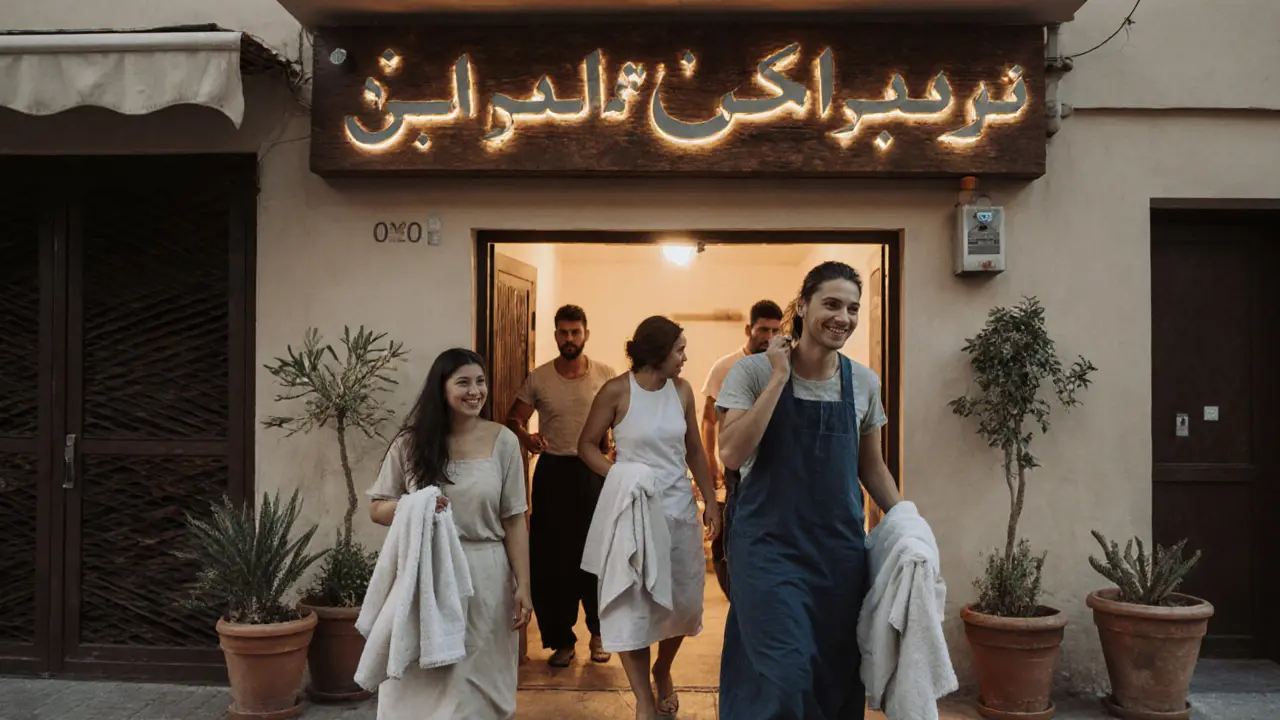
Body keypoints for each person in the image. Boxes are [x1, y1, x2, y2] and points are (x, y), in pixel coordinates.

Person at [716, 261, 902, 720]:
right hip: (767, 548)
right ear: (803, 307)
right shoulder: (754, 373)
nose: (844, 317)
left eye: (853, 308)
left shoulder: (863, 381)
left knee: (834, 671)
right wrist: (779, 377)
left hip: (837, 553)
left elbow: (871, 466)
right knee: (785, 671)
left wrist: (908, 524)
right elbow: (732, 454)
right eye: (832, 304)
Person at [367, 348, 533, 720]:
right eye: (463, 383)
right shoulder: (411, 443)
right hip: (427, 572)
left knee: (478, 682)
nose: (475, 391)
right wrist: (418, 505)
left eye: (480, 382)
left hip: (486, 574)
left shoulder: (503, 441)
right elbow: (377, 507)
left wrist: (524, 584)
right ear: (441, 389)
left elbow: (514, 519)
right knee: (424, 682)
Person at [578, 316, 722, 720]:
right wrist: (619, 474)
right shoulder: (616, 391)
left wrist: (710, 500)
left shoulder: (682, 391)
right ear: (658, 353)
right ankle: (643, 697)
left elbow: (694, 447)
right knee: (632, 604)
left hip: (677, 511)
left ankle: (663, 667)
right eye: (679, 349)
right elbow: (586, 445)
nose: (685, 357)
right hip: (632, 515)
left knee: (682, 603)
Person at [506, 304, 618, 666]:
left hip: (594, 473)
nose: (569, 339)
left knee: (598, 554)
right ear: (555, 335)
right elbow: (514, 418)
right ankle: (562, 641)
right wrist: (527, 438)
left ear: (586, 333)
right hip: (553, 473)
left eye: (575, 332)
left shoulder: (605, 374)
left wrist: (614, 446)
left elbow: (620, 418)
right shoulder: (538, 378)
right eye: (563, 332)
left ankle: (600, 634)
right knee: (554, 561)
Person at [699, 299, 783, 595]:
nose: (769, 337)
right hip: (735, 469)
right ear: (749, 328)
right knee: (729, 537)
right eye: (763, 329)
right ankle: (736, 593)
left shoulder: (784, 367)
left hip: (775, 469)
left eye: (775, 330)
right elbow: (709, 420)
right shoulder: (725, 367)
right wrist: (710, 461)